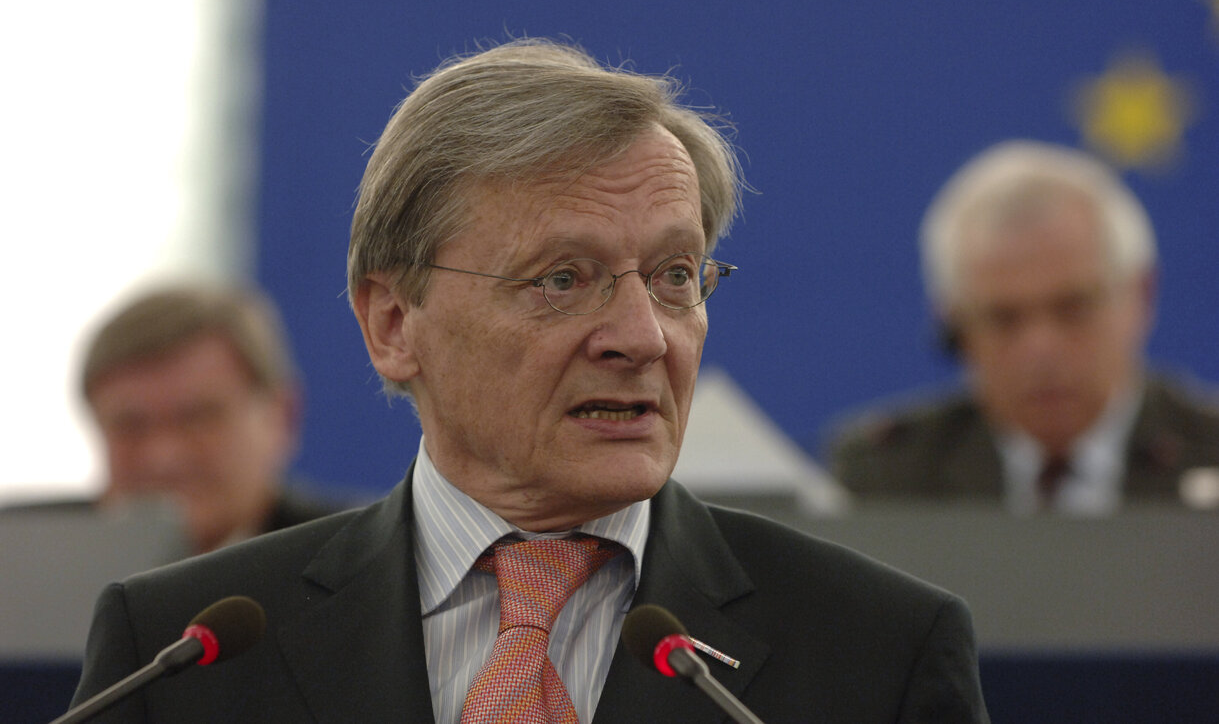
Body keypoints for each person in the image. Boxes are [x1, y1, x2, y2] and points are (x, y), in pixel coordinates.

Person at [70, 39, 988, 723]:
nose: (641, 337)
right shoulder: (180, 653)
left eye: (675, 276)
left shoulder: (880, 653)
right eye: (561, 279)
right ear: (393, 324)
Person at [827, 140, 1219, 514]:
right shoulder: (889, 477)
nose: (1040, 349)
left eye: (1073, 307)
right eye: (1003, 318)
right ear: (953, 322)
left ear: (1141, 295)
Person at [81, 283, 346, 554]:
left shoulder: (360, 560)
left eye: (197, 418)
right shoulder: (47, 568)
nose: (163, 457)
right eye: (130, 426)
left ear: (282, 418)